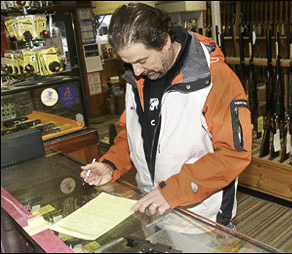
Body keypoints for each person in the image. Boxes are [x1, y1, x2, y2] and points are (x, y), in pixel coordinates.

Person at [80, 3, 252, 228]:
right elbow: (132, 136)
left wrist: (173, 192)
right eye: (129, 63)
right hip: (152, 207)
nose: (137, 71)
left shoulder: (215, 78)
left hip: (201, 220)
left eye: (142, 61)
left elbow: (233, 154)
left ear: (165, 41)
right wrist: (110, 165)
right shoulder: (138, 78)